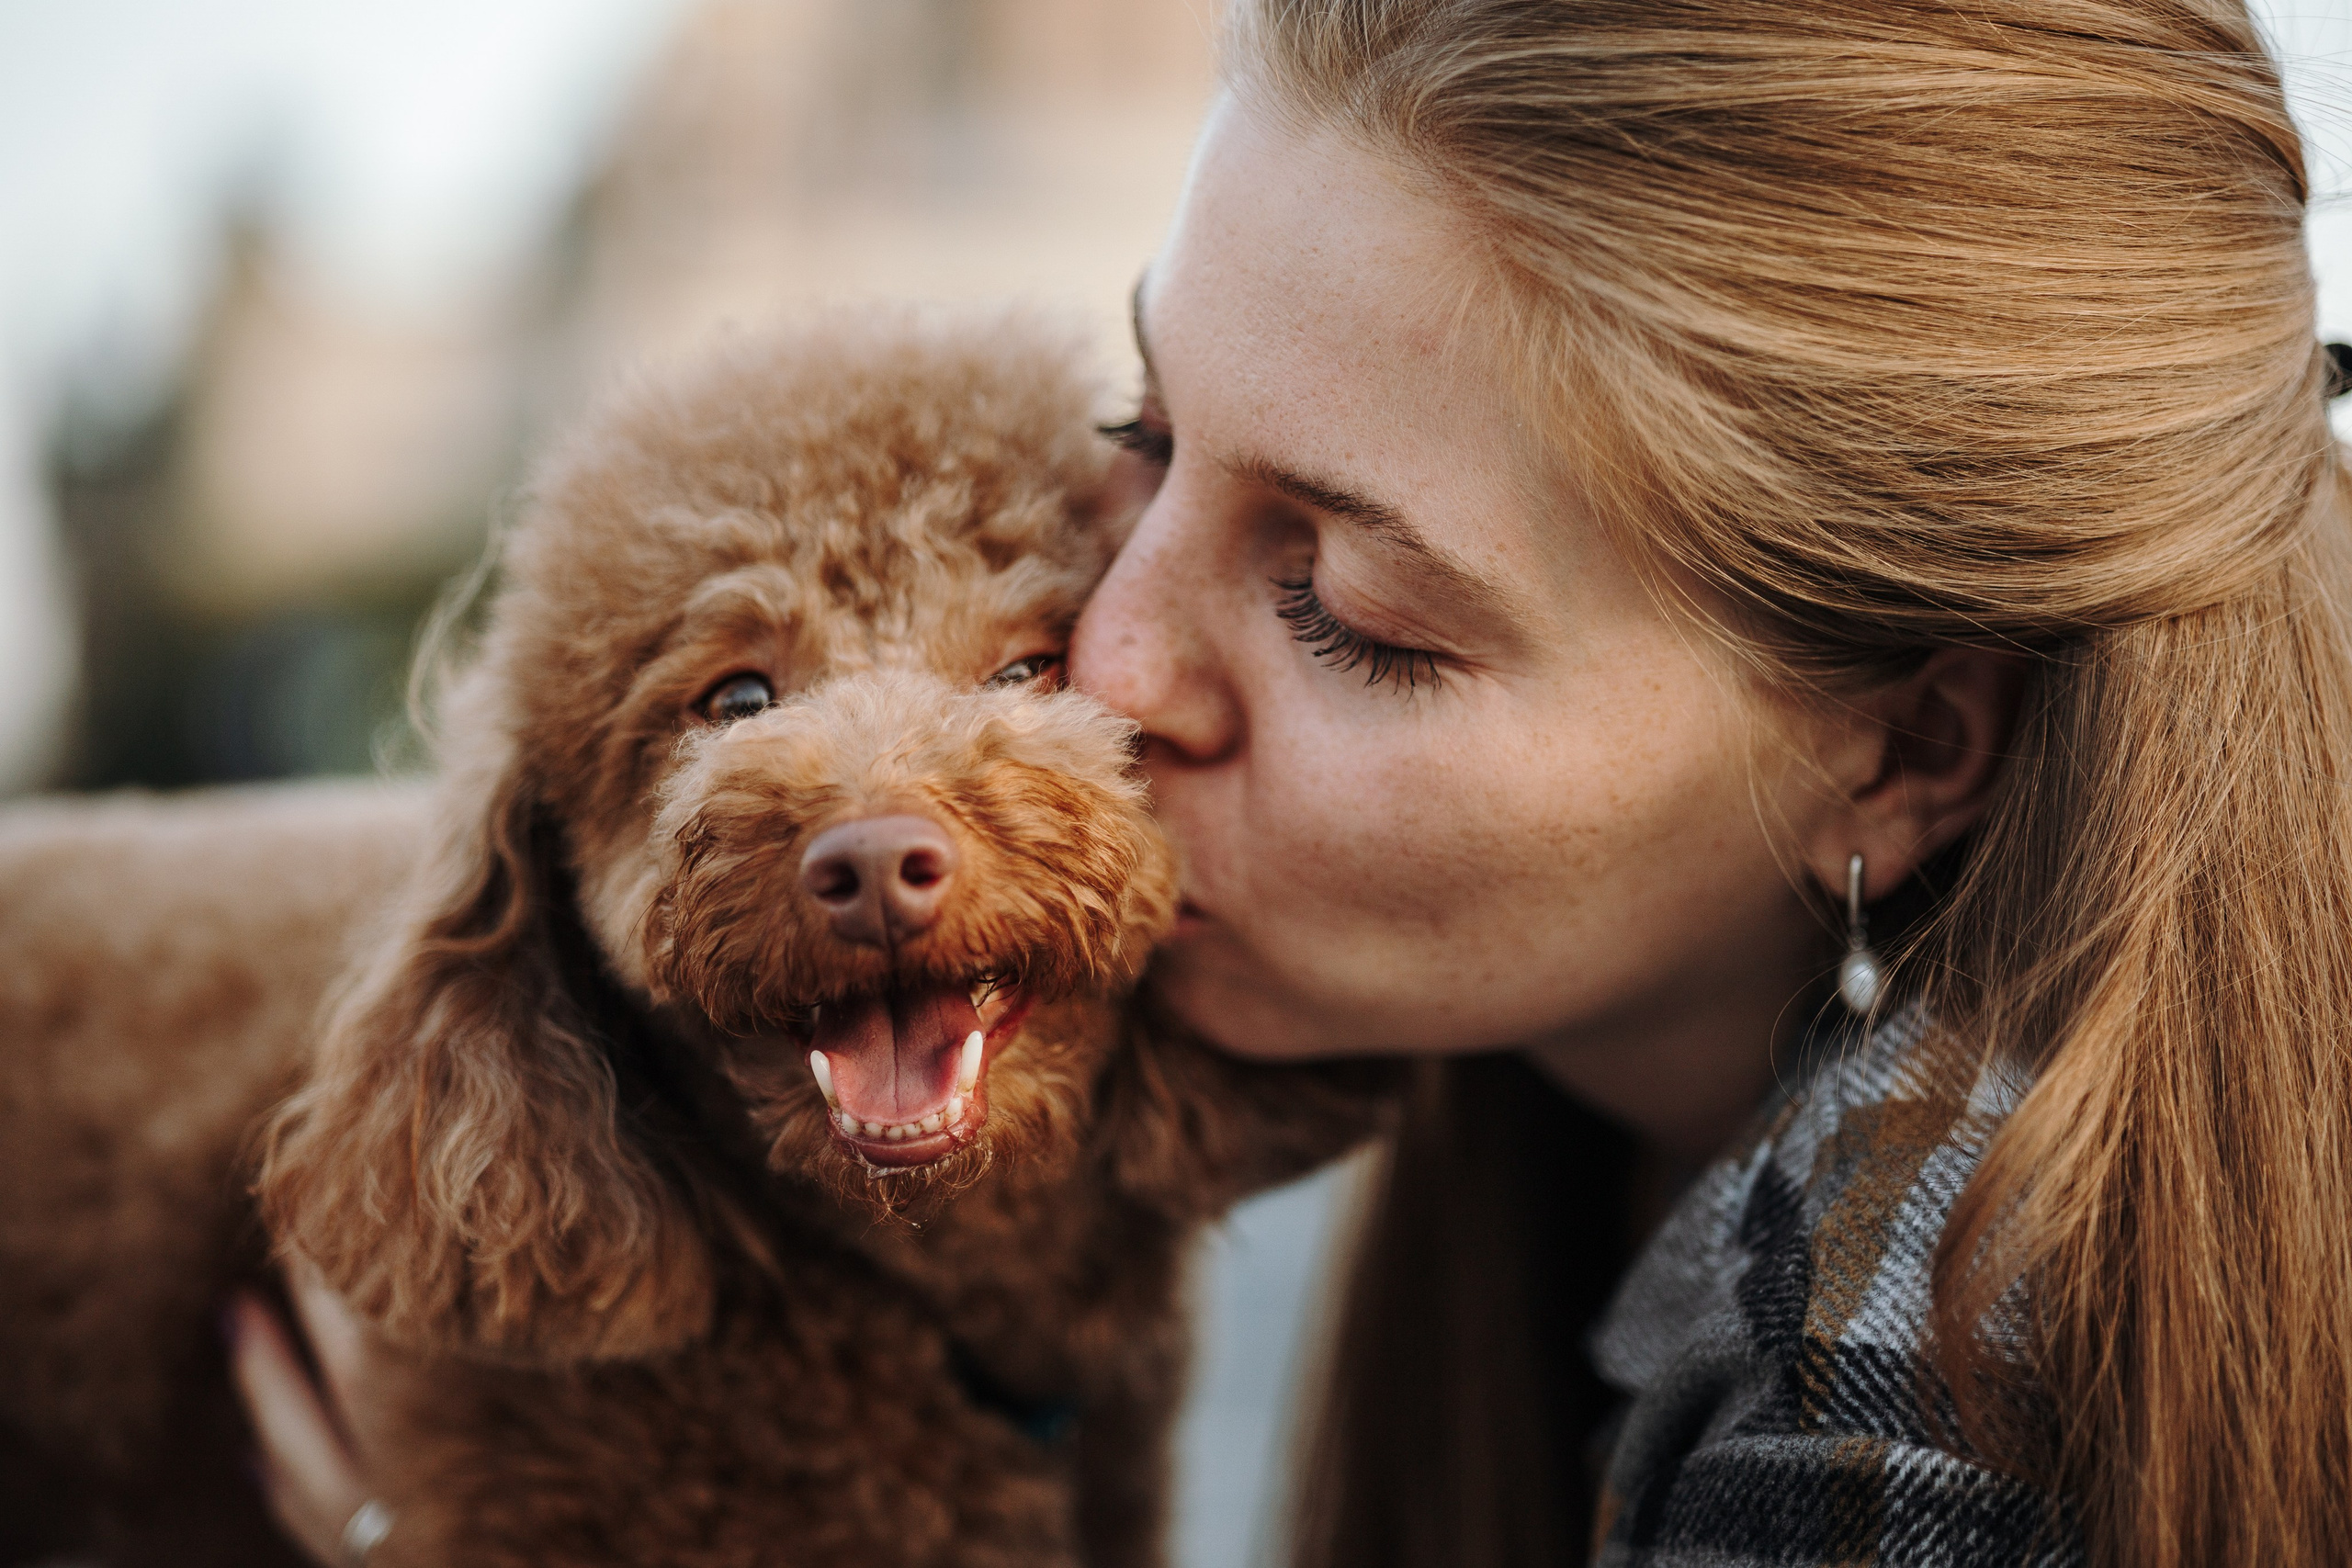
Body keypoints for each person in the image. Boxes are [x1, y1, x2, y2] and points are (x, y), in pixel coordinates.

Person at [232, 1, 2352, 1563]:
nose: (1109, 658)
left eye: (1338, 600)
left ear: (1902, 745)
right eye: (1139, 437)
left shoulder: (1916, 1413)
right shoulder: (1552, 1097)